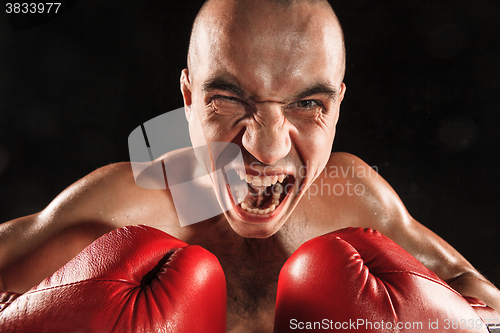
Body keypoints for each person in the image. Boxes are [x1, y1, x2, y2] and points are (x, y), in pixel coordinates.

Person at [0, 0, 499, 331]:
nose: (265, 147)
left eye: (307, 104)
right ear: (189, 98)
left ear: (337, 107)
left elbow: (477, 294)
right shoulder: (126, 209)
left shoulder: (354, 204)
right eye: (229, 99)